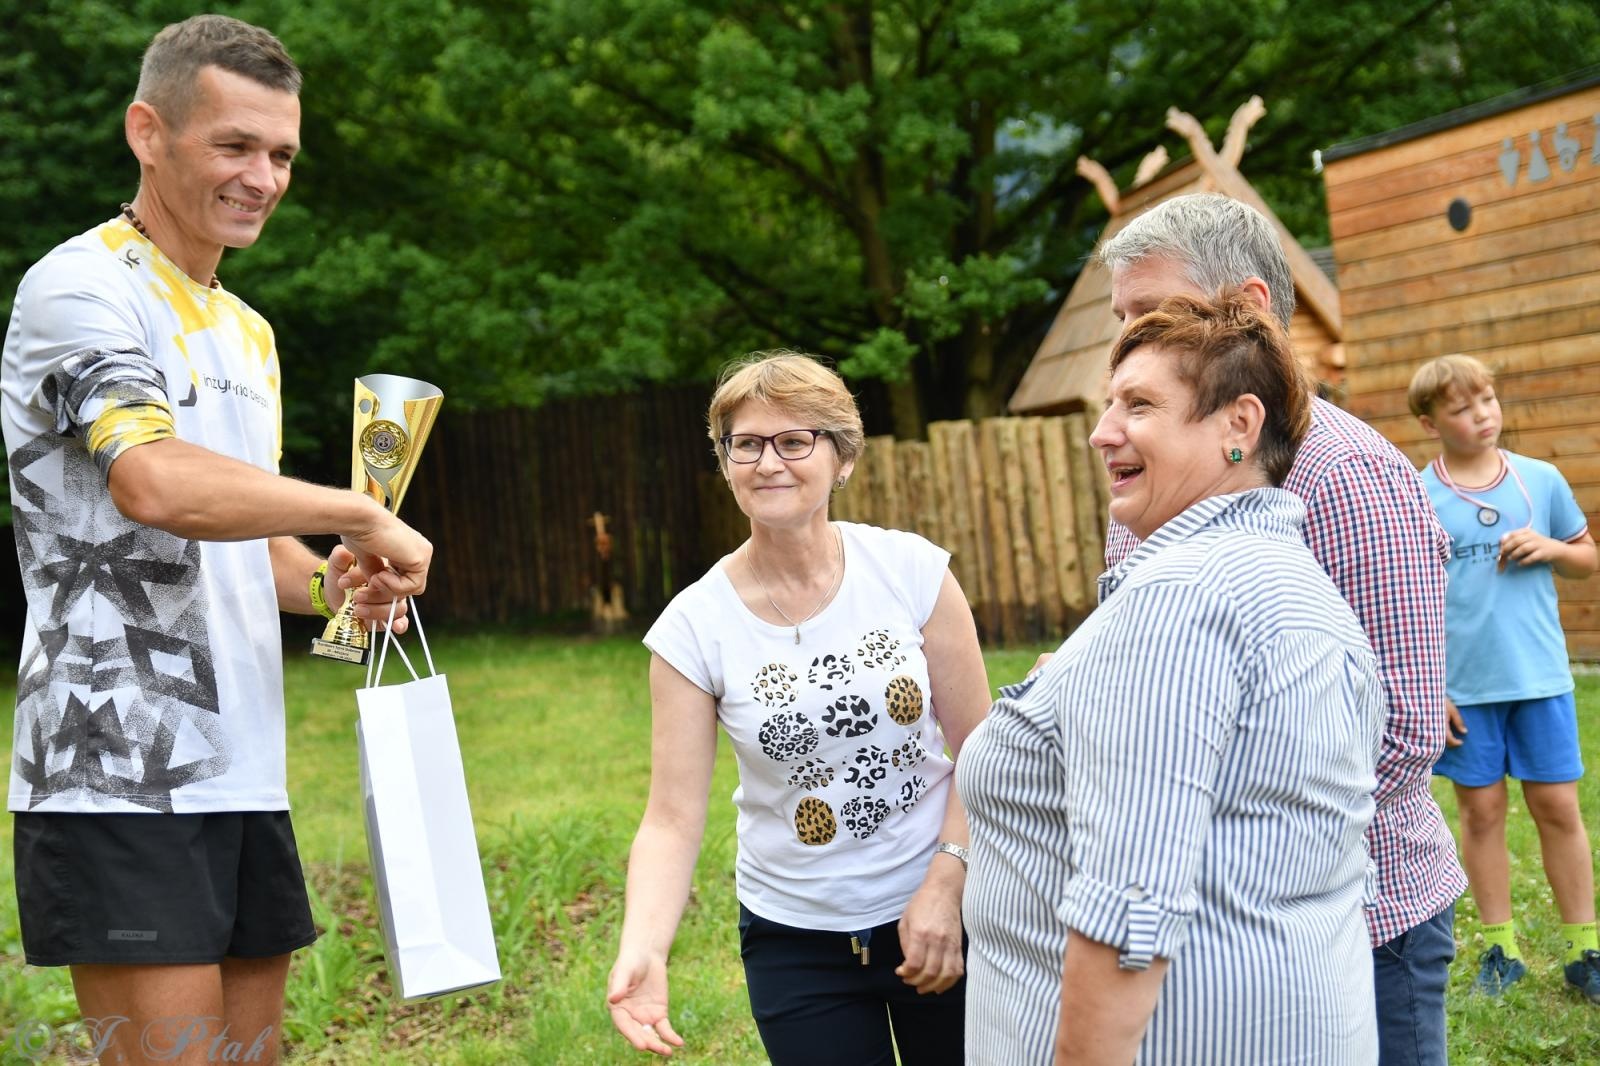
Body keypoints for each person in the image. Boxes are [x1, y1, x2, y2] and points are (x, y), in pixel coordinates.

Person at [4, 16, 432, 1065]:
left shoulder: (248, 331)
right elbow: (152, 479)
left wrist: (338, 588)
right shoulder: (81, 287)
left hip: (244, 765)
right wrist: (357, 510)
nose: (263, 178)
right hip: (117, 768)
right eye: (233, 146)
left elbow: (253, 548)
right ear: (148, 132)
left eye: (281, 153)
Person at [962, 292, 1385, 1064]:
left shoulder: (1180, 600)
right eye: (1107, 405)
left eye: (1140, 405)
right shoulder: (1292, 581)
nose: (1102, 432)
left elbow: (1128, 905)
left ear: (1239, 425)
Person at [1097, 193, 1465, 1065]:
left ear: (1252, 310)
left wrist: (1191, 818)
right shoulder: (1148, 469)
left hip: (1363, 923)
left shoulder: (1349, 478)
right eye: (1121, 321)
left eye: (1152, 315)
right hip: (1207, 920)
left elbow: (1404, 732)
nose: (1128, 344)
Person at [606, 352, 991, 1064]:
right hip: (796, 940)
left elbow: (982, 753)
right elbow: (671, 817)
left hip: (942, 911)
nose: (767, 462)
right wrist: (644, 949)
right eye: (745, 444)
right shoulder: (694, 627)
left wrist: (947, 882)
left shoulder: (912, 573)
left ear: (842, 457)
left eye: (794, 440)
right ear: (725, 464)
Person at [1408, 354, 1599, 1003]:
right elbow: (1406, 600)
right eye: (1461, 409)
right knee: (1482, 814)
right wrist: (1430, 690)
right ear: (1430, 423)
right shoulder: (1418, 495)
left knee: (1557, 808)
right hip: (1464, 692)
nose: (1480, 416)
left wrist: (1551, 550)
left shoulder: (1539, 480)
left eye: (1486, 401)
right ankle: (1501, 948)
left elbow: (1586, 560)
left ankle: (1584, 950)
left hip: (1540, 680)